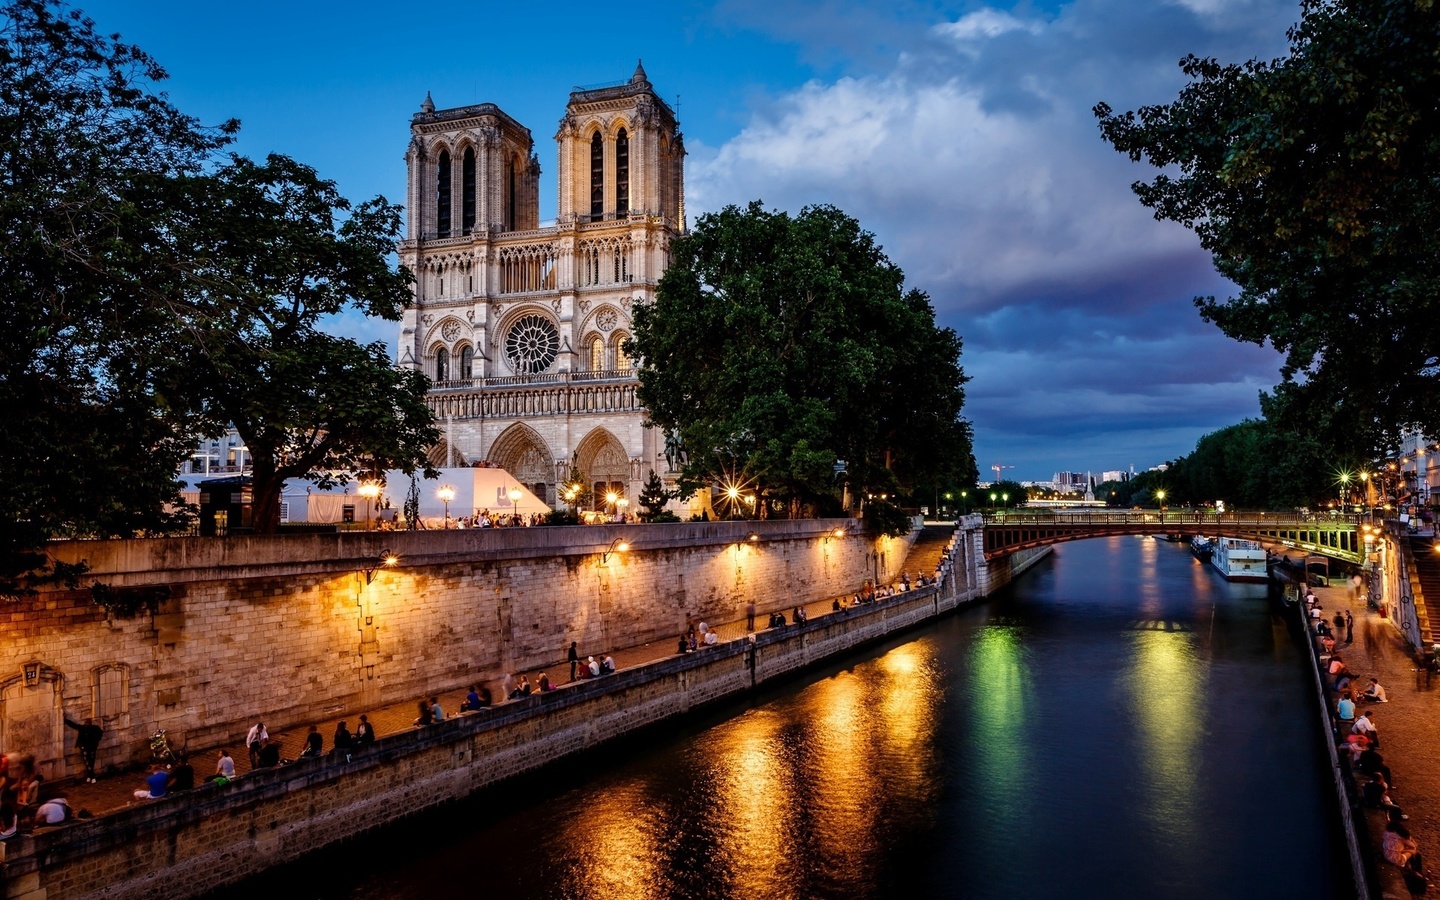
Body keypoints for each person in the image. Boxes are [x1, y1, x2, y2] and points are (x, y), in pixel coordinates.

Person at [64, 716, 104, 783]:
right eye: (86, 722)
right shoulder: (82, 728)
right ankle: (91, 776)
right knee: (87, 762)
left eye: (88, 722)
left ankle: (90, 776)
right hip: (85, 748)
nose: (87, 724)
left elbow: (100, 733)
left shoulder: (95, 728)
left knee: (91, 762)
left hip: (92, 748)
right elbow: (74, 725)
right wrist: (66, 720)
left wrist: (96, 741)